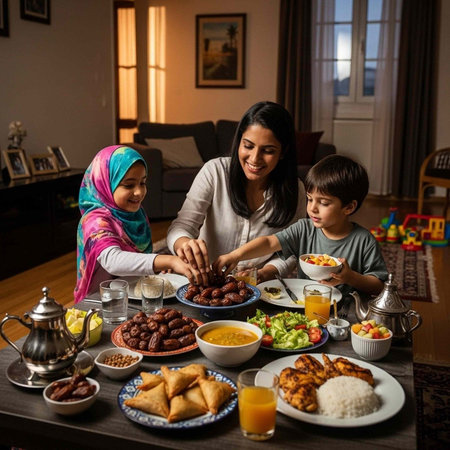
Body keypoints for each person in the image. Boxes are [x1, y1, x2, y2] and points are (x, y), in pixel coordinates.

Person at [166, 101, 307, 285]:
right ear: (239, 141)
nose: (255, 159)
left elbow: (291, 250)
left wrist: (264, 273)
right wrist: (185, 244)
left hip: (259, 287)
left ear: (283, 152)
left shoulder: (295, 190)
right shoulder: (214, 172)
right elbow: (180, 227)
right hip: (204, 282)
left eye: (268, 151)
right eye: (248, 146)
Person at [213, 154, 388, 297]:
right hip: (304, 305)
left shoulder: (364, 240)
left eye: (324, 203)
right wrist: (235, 256)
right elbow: (268, 243)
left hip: (346, 311)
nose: (312, 208)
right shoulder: (304, 229)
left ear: (349, 207)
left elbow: (379, 286)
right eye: (310, 199)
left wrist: (350, 277)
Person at [74, 145, 200, 304]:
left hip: (132, 298)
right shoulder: (94, 220)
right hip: (101, 304)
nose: (139, 192)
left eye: (143, 183)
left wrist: (155, 266)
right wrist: (168, 261)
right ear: (105, 183)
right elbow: (114, 261)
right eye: (129, 185)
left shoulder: (135, 215)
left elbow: (138, 258)